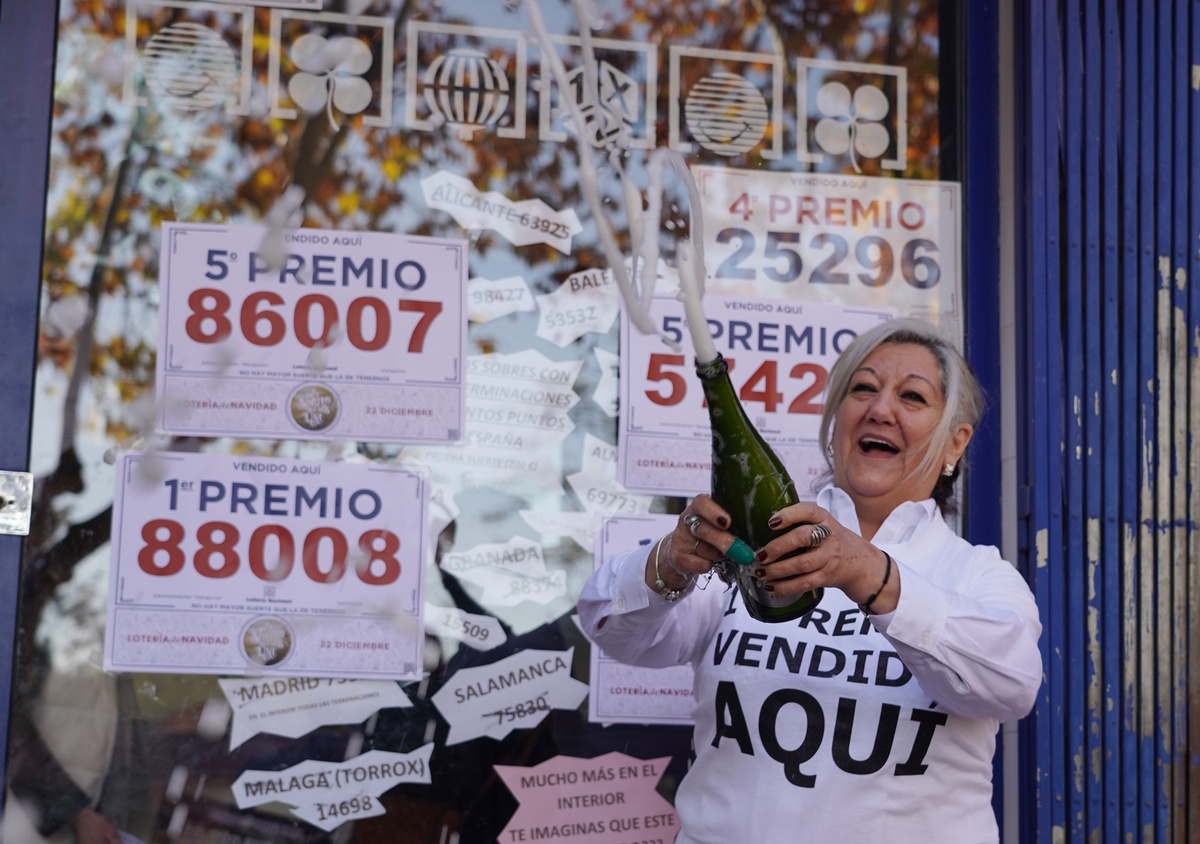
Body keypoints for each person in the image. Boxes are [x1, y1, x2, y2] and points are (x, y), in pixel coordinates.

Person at [578, 317, 1042, 844]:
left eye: (911, 397)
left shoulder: (976, 573)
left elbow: (1012, 686)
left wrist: (869, 572)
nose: (880, 409)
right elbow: (613, 629)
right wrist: (667, 563)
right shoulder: (758, 540)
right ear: (836, 417)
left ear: (955, 443)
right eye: (862, 388)